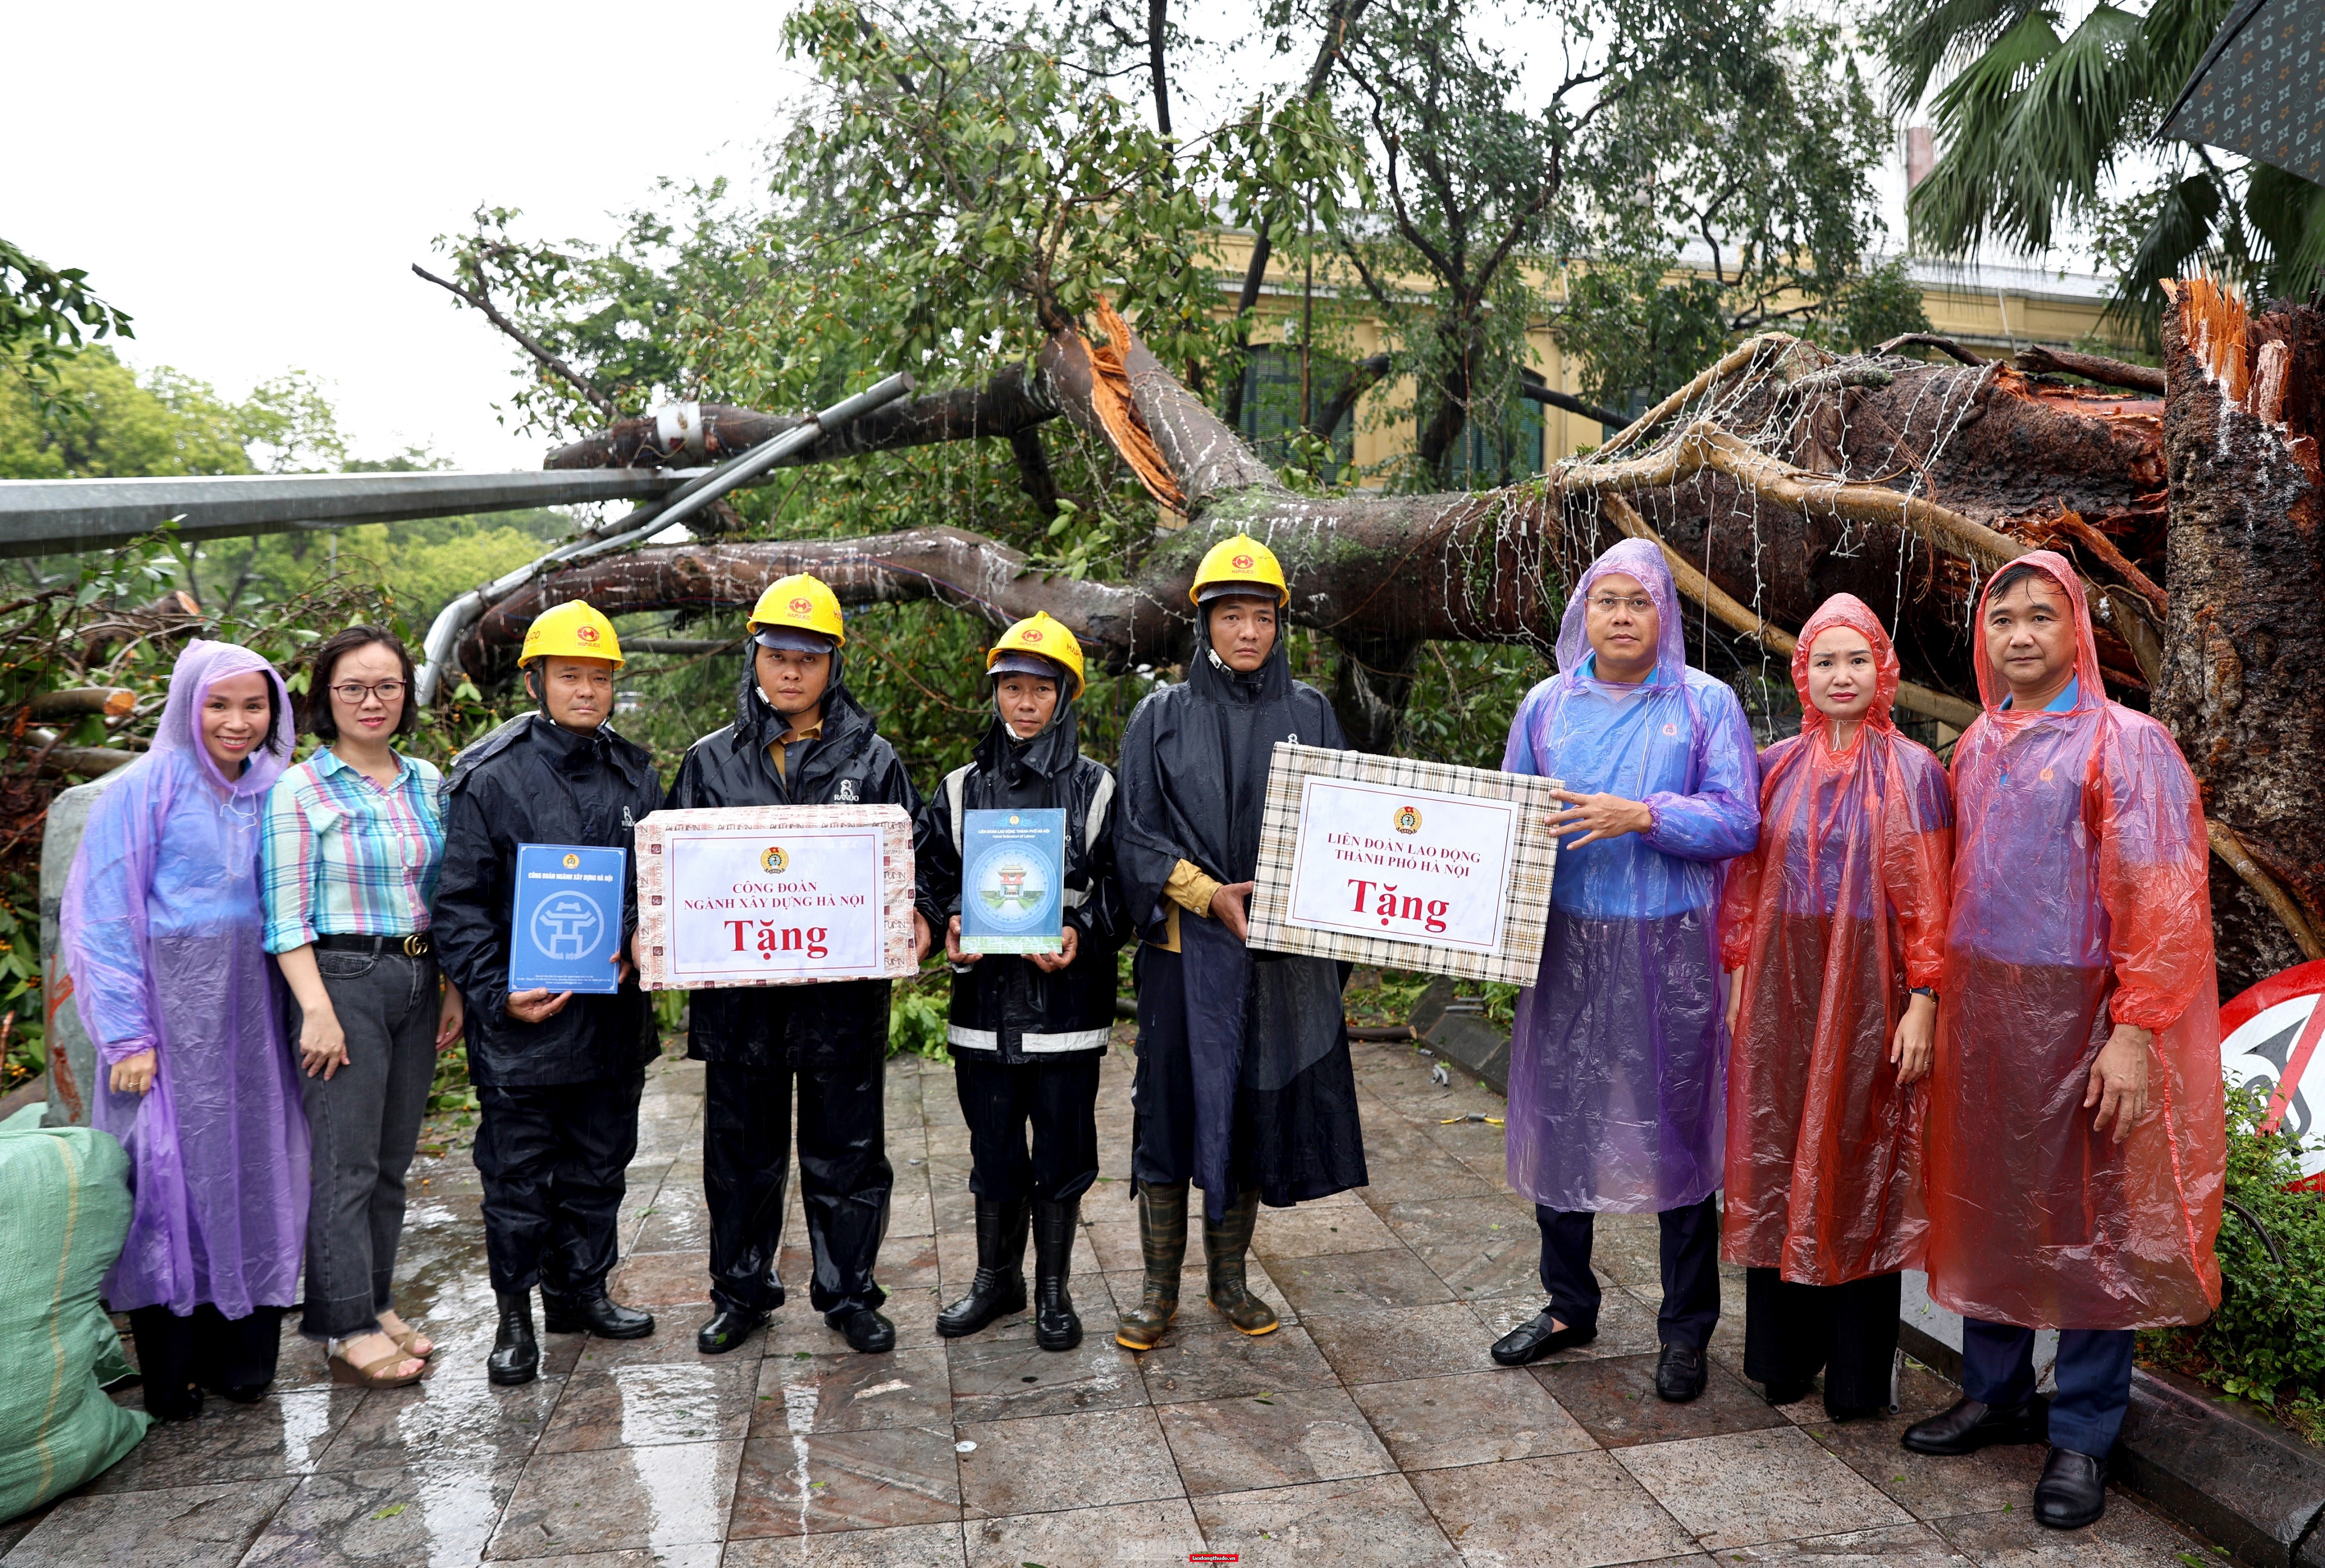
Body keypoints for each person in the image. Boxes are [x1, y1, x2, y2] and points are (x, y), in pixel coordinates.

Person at [1905, 552, 2223, 1531]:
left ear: (2075, 630)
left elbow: (2163, 900)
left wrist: (2134, 1032)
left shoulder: (2126, 746)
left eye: (2042, 616)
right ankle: (1995, 1391)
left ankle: (2084, 1430)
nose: (2020, 635)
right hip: (1988, 1017)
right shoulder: (1976, 749)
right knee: (1989, 1195)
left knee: (2093, 1222)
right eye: (2003, 619)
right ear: (1983, 637)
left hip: (2084, 1013)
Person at [1491, 536, 1759, 1401]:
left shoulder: (1705, 705)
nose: (1619, 616)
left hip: (1670, 950)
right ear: (1582, 613)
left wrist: (1643, 813)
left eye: (1637, 601)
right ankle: (1568, 1305)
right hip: (1565, 945)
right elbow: (1505, 820)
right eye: (1605, 600)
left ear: (1664, 614)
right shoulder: (1544, 706)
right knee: (1559, 1115)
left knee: (1679, 1133)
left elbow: (1737, 822)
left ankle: (1685, 1329)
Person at [1112, 533, 1368, 1353]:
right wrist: (1205, 894)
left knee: (1255, 1112)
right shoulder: (1160, 715)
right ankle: (1157, 1292)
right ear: (1204, 624)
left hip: (1278, 958)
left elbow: (1347, 831)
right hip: (1186, 954)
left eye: (1262, 617)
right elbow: (1134, 835)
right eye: (1232, 617)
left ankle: (1229, 1279)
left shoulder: (1313, 713)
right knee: (1168, 1113)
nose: (1248, 632)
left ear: (1279, 626)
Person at [669, 573, 924, 1357]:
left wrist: (912, 914)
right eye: (776, 655)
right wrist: (660, 930)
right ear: (753, 659)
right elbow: (670, 874)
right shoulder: (708, 762)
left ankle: (849, 1293)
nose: (790, 672)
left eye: (808, 660)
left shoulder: (873, 759)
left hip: (839, 998)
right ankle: (741, 1292)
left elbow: (911, 865)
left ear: (832, 667)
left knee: (847, 1150)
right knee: (740, 1155)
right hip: (740, 1001)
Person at [61, 640, 309, 1417]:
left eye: (254, 704)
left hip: (257, 1021)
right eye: (218, 704)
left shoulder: (280, 790)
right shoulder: (143, 791)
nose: (238, 722)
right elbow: (100, 916)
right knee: (168, 1183)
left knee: (257, 1167)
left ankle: (246, 1357)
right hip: (168, 1025)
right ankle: (174, 1369)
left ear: (275, 710)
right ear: (185, 707)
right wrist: (128, 1035)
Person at [1718, 594, 1950, 1421]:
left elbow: (1929, 896)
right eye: (1825, 661)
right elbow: (1744, 882)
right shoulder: (1776, 764)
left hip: (1872, 995)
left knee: (1861, 1161)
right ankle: (1781, 1357)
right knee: (1777, 1148)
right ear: (1802, 673)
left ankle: (1856, 1372)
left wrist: (1922, 997)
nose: (1841, 675)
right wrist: (1740, 968)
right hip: (1785, 988)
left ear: (1881, 670)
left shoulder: (1916, 772)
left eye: (1856, 660)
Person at [433, 600, 665, 1385]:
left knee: (602, 1163)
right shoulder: (490, 778)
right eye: (571, 676)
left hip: (610, 1016)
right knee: (518, 1176)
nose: (587, 692)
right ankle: (514, 1319)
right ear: (534, 681)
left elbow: (657, 881)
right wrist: (497, 993)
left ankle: (582, 1293)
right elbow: (459, 904)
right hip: (522, 1027)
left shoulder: (636, 772)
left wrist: (639, 930)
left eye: (600, 678)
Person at [915, 613, 1127, 1351]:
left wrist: (1083, 930)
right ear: (995, 694)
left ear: (1066, 696)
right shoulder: (958, 789)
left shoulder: (1098, 788)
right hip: (982, 1009)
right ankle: (994, 1280)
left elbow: (1122, 887)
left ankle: (1053, 1293)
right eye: (1011, 688)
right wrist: (943, 918)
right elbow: (929, 875)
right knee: (994, 1150)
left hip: (1066, 1008)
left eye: (1041, 689)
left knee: (1063, 1154)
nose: (1025, 703)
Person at [262, 627, 463, 1389]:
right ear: (325, 698)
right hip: (341, 979)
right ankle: (343, 1325)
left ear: (406, 696)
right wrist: (315, 1008)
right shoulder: (299, 789)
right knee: (344, 1166)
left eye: (386, 687)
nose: (371, 702)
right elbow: (284, 915)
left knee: (390, 1163)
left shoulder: (426, 780)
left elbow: (443, 893)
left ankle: (375, 1304)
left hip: (416, 975)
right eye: (353, 688)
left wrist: (450, 987)